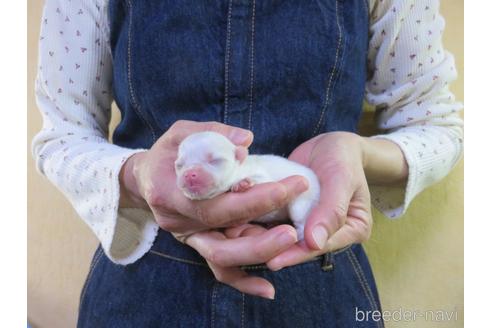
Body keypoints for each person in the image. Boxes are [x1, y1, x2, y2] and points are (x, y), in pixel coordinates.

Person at [32, 0, 463, 326]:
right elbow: (60, 137)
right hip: (143, 283)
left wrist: (355, 152)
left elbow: (438, 127)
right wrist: (138, 175)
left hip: (317, 271)